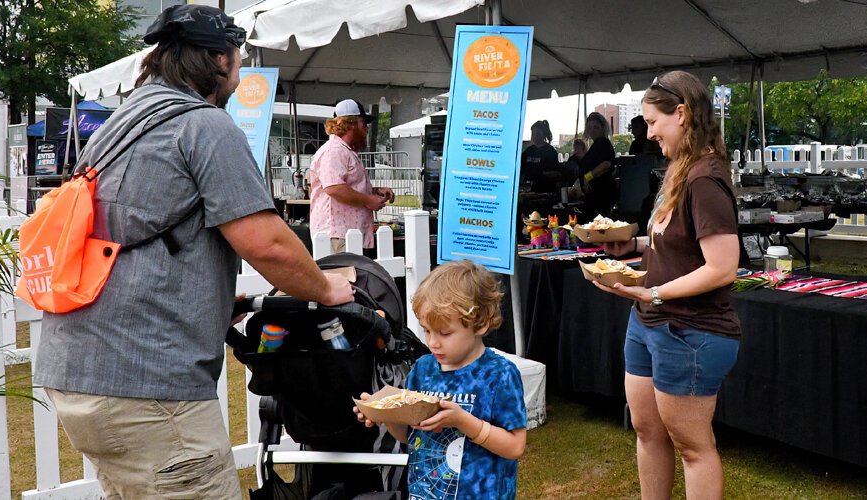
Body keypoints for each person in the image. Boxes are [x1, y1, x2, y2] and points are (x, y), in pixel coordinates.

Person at [35, 6, 355, 498]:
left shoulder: (122, 124)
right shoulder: (204, 126)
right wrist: (326, 286)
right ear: (219, 60)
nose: (241, 70)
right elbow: (266, 242)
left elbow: (137, 231)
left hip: (77, 373)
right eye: (239, 58)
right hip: (149, 387)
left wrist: (205, 304)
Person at [593, 70, 741, 500]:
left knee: (693, 447)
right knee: (646, 430)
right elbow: (676, 240)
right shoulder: (681, 168)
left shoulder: (704, 178)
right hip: (649, 322)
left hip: (690, 330)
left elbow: (722, 268)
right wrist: (632, 244)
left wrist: (654, 292)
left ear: (681, 114)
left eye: (653, 122)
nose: (648, 132)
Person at [354, 259, 527, 499]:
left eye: (445, 333)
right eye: (426, 330)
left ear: (481, 324)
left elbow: (515, 447)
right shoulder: (423, 369)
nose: (433, 342)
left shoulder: (499, 374)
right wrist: (386, 416)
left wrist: (462, 421)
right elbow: (411, 437)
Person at [310, 98, 394, 254]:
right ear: (351, 123)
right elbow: (334, 188)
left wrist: (373, 192)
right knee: (343, 277)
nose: (366, 128)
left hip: (346, 234)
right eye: (364, 123)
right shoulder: (334, 151)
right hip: (337, 235)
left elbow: (345, 186)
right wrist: (369, 201)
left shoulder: (344, 151)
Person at [577, 112, 619, 216]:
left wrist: (587, 177)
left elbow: (606, 164)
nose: (592, 130)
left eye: (595, 127)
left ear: (602, 128)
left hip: (601, 195)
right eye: (590, 127)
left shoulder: (602, 142)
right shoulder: (597, 144)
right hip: (598, 195)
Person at [520, 120, 562, 194]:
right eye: (533, 133)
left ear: (544, 134)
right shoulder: (528, 151)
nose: (535, 136)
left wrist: (542, 173)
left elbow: (557, 173)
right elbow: (520, 168)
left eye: (538, 133)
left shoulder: (550, 151)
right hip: (528, 191)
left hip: (545, 191)